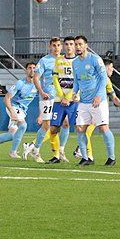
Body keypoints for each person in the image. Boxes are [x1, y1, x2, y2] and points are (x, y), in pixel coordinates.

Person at [71, 36, 116, 166]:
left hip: (97, 101)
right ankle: (86, 158)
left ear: (86, 45)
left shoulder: (95, 59)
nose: (77, 47)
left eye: (80, 44)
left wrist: (98, 95)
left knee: (103, 128)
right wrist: (74, 93)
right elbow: (77, 81)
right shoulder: (75, 63)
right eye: (76, 45)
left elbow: (103, 78)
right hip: (83, 102)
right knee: (80, 129)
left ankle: (111, 158)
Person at [0, 63, 38, 158]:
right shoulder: (20, 83)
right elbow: (6, 99)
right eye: (29, 68)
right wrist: (12, 112)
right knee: (23, 125)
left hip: (22, 110)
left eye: (34, 68)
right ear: (26, 71)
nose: (32, 70)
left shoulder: (37, 84)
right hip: (13, 107)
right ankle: (13, 152)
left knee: (13, 135)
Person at [24, 37, 62, 163]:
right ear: (50, 47)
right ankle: (36, 149)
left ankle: (59, 152)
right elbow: (36, 78)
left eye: (58, 45)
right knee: (46, 126)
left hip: (61, 97)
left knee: (63, 124)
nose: (56, 48)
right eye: (54, 45)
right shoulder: (44, 61)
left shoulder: (64, 61)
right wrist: (41, 92)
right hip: (47, 96)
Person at [41, 36, 78, 164]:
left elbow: (78, 82)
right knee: (53, 128)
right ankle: (56, 155)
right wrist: (61, 96)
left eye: (71, 44)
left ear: (74, 46)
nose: (69, 46)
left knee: (79, 128)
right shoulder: (59, 60)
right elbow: (55, 79)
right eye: (67, 44)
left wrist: (68, 97)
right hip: (59, 99)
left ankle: (85, 155)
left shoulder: (79, 61)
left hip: (74, 99)